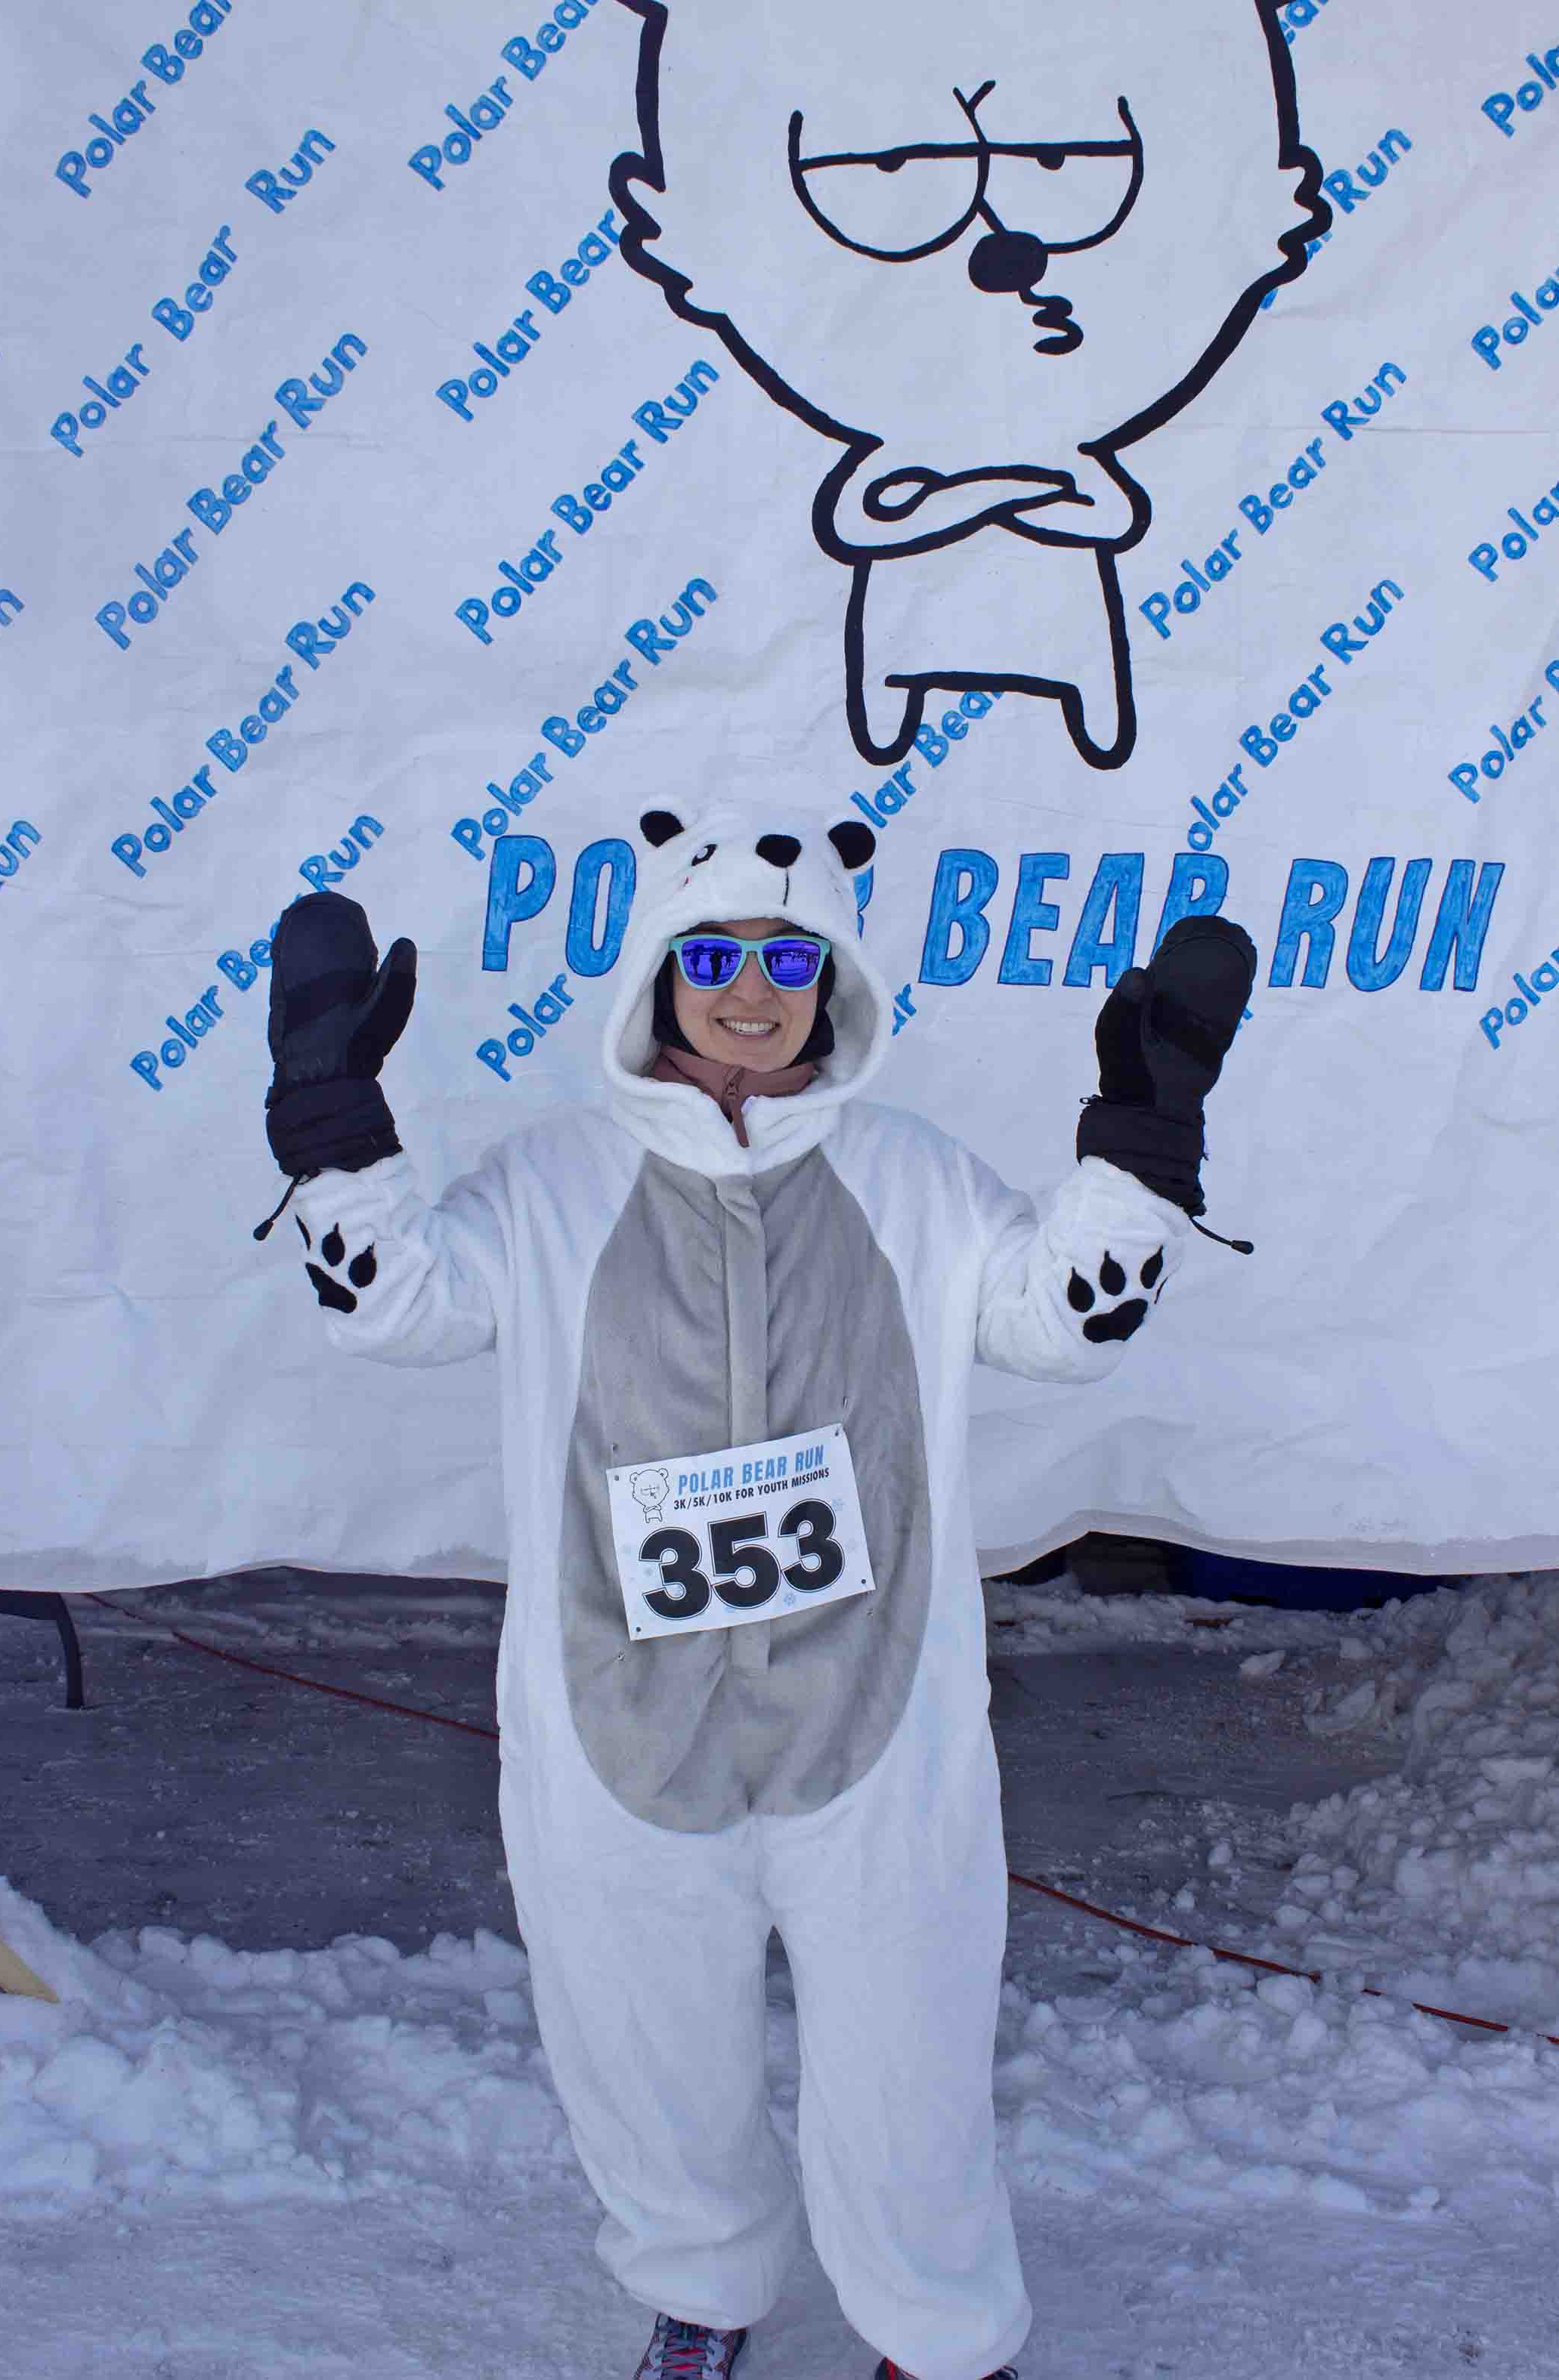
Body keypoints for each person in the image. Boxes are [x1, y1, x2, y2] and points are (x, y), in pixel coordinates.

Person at [258, 801, 1254, 2380]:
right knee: (643, 2047)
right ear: (661, 973)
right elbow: (401, 1307)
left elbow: (1058, 1319)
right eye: (714, 957)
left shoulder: (908, 1175)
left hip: (875, 1721)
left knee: (907, 2063)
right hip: (620, 1718)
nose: (749, 991)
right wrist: (332, 1127)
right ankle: (702, 2293)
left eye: (788, 961)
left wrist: (1139, 1140)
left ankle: (938, 2337)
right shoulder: (557, 1180)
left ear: (831, 978)